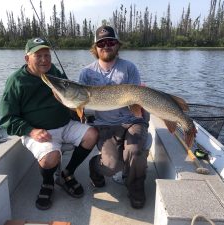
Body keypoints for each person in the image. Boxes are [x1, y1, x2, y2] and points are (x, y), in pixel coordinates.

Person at [0, 37, 98, 210]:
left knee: (92, 134)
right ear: (27, 58)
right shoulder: (16, 81)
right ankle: (48, 183)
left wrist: (77, 112)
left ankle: (67, 174)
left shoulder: (54, 71)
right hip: (38, 131)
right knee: (50, 159)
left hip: (65, 124)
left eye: (47, 55)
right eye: (38, 56)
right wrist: (31, 131)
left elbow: (71, 96)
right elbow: (7, 119)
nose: (44, 60)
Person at [79, 25, 149, 209]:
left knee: (134, 152)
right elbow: (79, 102)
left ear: (117, 45)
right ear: (95, 47)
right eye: (101, 43)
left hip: (132, 121)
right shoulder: (86, 73)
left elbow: (135, 101)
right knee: (111, 165)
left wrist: (139, 103)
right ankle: (95, 166)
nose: (106, 46)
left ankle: (136, 188)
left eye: (110, 42)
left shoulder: (129, 68)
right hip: (105, 126)